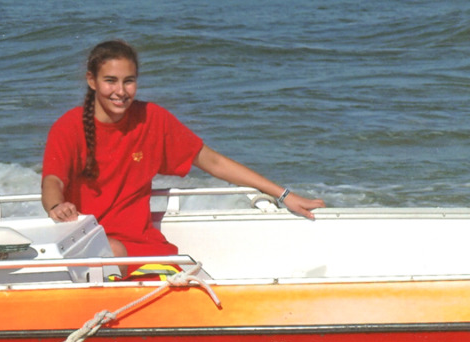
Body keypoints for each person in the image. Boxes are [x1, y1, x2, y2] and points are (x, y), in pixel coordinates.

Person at [41, 40, 325, 274]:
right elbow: (52, 179)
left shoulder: (151, 119)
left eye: (129, 81)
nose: (120, 91)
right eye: (110, 81)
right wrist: (57, 205)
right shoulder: (69, 126)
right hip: (93, 247)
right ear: (92, 81)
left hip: (145, 245)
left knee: (196, 283)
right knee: (110, 253)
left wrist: (284, 195)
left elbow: (212, 161)